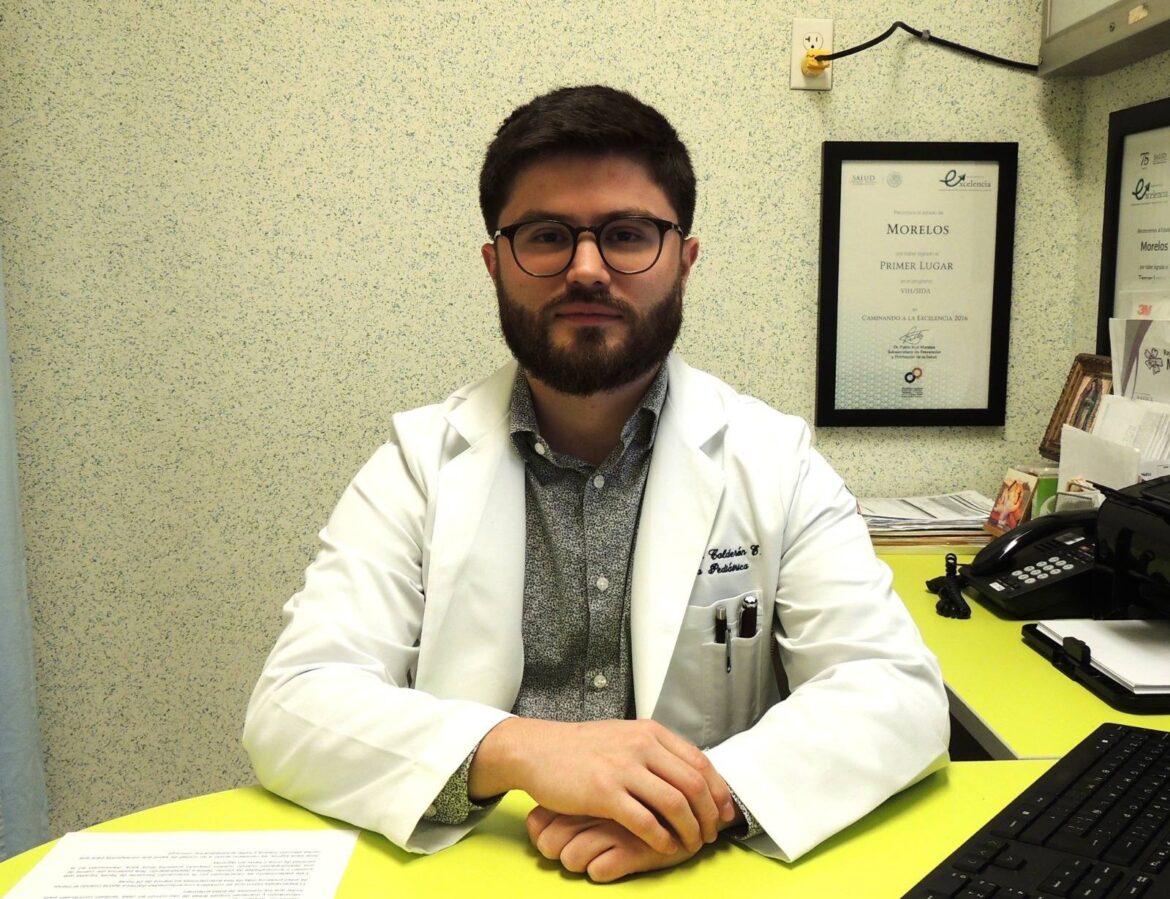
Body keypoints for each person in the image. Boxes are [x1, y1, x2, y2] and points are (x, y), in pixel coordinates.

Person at [243, 84, 949, 883]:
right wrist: (520, 749)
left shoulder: (772, 459)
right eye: (547, 236)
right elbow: (293, 703)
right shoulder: (417, 464)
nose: (586, 269)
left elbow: (896, 691)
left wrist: (700, 799)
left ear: (684, 260)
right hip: (475, 872)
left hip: (696, 872)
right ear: (495, 264)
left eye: (626, 235)